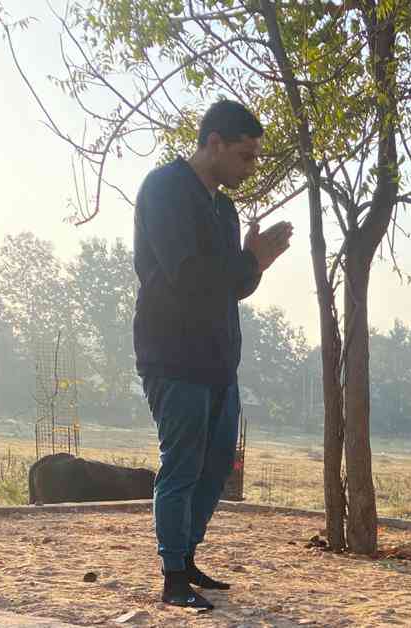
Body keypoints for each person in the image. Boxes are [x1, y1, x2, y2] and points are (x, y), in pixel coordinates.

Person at [133, 100, 293, 609]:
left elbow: (233, 287)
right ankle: (173, 577)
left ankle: (187, 555)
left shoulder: (225, 209)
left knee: (217, 463)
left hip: (220, 360)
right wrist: (247, 262)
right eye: (245, 156)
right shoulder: (164, 190)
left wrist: (256, 264)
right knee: (181, 465)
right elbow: (188, 276)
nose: (252, 167)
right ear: (215, 143)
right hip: (172, 354)